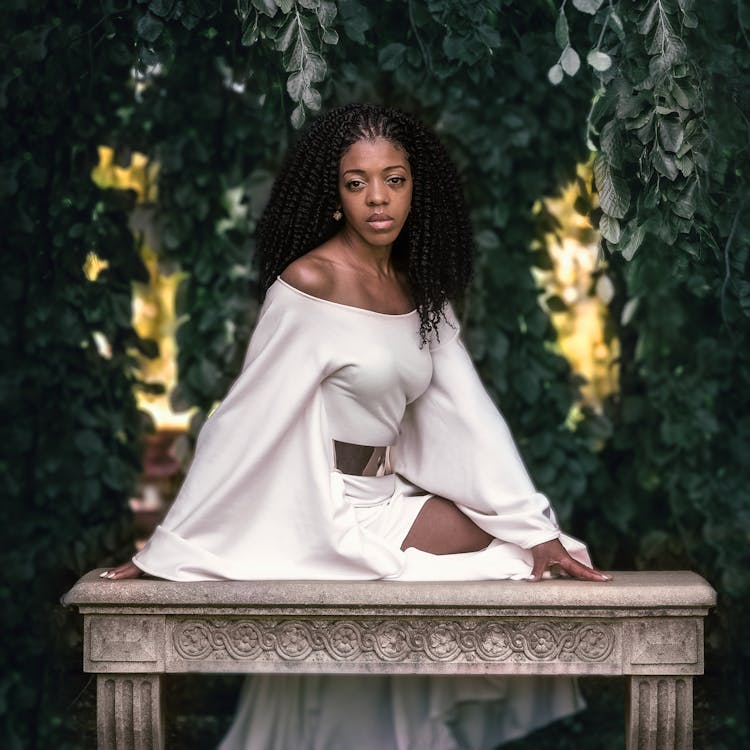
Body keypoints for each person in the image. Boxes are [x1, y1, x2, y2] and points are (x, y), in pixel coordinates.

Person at [103, 103, 610, 749]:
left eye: (394, 179)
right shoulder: (308, 283)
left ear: (414, 187)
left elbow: (469, 413)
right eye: (357, 182)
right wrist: (168, 549)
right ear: (335, 195)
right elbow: (243, 422)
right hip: (317, 505)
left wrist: (536, 529)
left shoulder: (419, 290)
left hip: (385, 498)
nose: (378, 199)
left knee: (524, 557)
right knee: (391, 628)